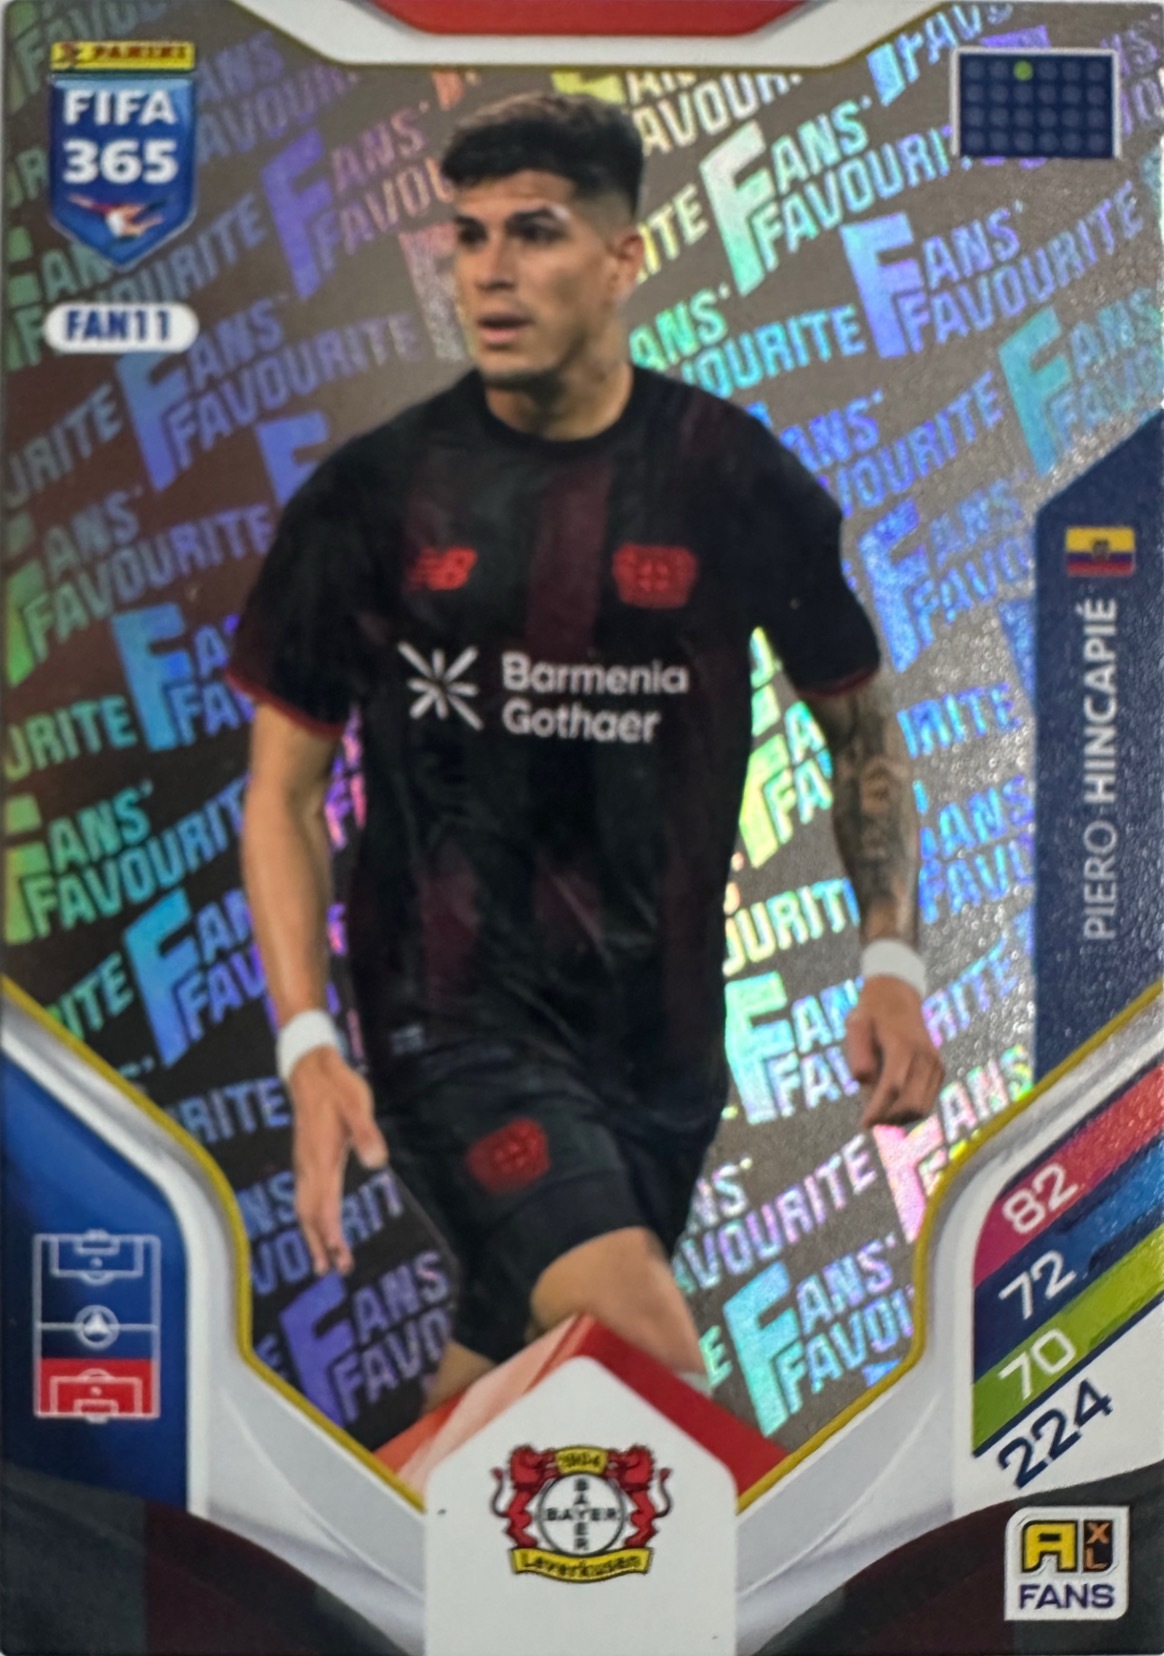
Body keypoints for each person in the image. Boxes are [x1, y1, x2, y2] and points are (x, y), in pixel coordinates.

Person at [228, 91, 944, 1410]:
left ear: (624, 257)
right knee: (649, 1364)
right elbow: (280, 793)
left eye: (537, 232)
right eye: (470, 235)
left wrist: (891, 964)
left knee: (503, 1400)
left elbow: (860, 738)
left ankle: (356, 1548)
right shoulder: (373, 497)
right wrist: (308, 1041)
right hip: (452, 1024)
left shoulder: (730, 475)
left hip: (663, 1049)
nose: (490, 271)